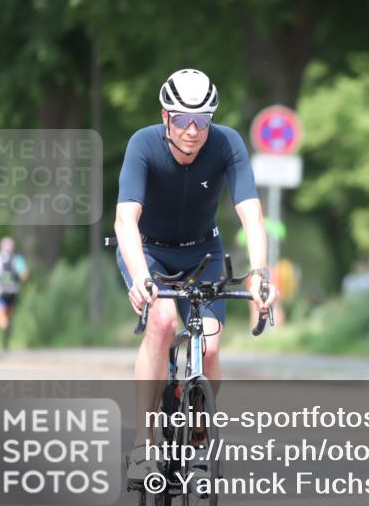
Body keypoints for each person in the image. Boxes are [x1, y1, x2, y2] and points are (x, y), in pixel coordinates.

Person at [114, 68, 279, 481]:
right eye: (183, 119)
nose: (193, 130)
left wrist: (260, 273)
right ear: (165, 116)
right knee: (164, 321)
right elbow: (124, 220)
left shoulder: (227, 143)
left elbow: (252, 215)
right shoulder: (143, 144)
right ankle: (145, 443)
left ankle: (200, 437)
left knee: (208, 348)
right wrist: (139, 277)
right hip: (148, 251)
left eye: (203, 120)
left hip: (203, 251)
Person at [0, 237, 29, 351]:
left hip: (0, 291)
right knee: (8, 315)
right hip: (13, 291)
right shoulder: (18, 259)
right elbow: (25, 276)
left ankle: (5, 327)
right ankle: (6, 340)